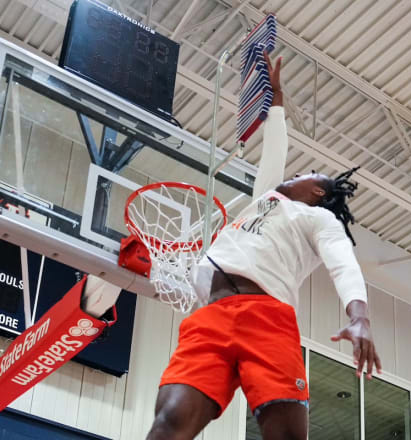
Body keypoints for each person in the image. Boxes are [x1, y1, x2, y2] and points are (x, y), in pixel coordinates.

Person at [145, 52, 382, 440]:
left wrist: (360, 317)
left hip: (266, 317)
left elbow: (343, 264)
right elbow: (274, 153)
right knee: (169, 422)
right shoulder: (265, 200)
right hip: (211, 317)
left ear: (318, 191)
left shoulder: (317, 219)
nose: (296, 173)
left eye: (307, 175)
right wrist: (276, 103)